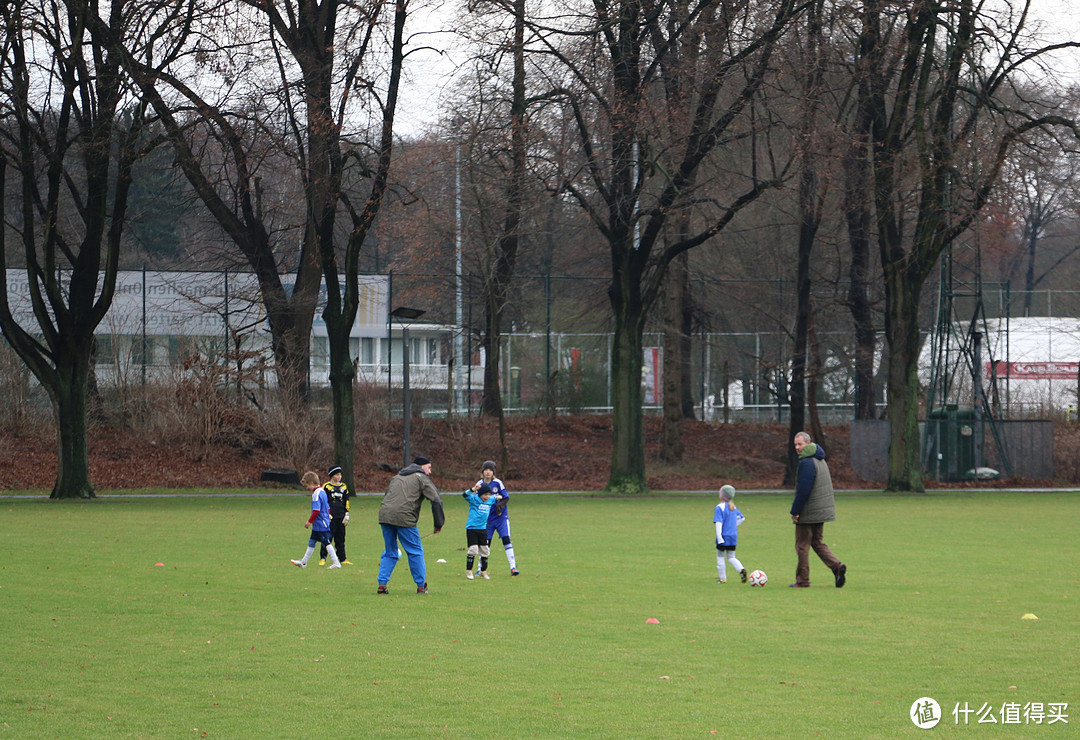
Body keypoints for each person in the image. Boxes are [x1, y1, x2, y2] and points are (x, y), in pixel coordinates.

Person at [377, 456, 445, 594]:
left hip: (385, 516)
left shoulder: (396, 477)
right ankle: (421, 586)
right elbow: (436, 500)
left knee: (390, 551)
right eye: (429, 468)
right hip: (405, 518)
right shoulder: (421, 477)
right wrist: (438, 524)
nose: (430, 472)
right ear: (421, 467)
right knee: (415, 551)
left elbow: (388, 496)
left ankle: (382, 585)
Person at [790, 431, 846, 588]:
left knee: (802, 545)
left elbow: (804, 490)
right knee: (816, 542)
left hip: (809, 511)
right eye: (795, 444)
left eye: (800, 444)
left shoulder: (807, 463)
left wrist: (795, 511)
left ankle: (802, 581)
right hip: (821, 510)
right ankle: (836, 566)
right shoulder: (820, 459)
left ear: (808, 443)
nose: (797, 447)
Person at [291, 471, 341, 570]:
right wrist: (328, 515)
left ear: (312, 483)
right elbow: (327, 508)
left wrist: (309, 522)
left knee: (326, 542)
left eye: (307, 486)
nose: (307, 488)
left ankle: (336, 562)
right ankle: (304, 562)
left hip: (320, 523)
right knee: (312, 541)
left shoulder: (316, 494)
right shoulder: (322, 491)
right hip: (320, 523)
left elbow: (316, 510)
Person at [479, 460, 519, 576]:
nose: (488, 472)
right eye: (486, 470)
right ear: (482, 472)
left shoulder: (498, 483)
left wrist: (499, 507)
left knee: (506, 539)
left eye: (490, 470)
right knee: (486, 543)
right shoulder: (479, 484)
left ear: (493, 472)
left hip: (501, 518)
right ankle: (480, 568)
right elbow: (476, 500)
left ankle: (513, 567)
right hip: (487, 519)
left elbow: (506, 497)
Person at [462, 482, 504, 579]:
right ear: (480, 494)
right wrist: (473, 489)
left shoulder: (490, 500)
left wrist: (499, 497)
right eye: (485, 495)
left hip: (483, 529)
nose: (487, 497)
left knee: (485, 550)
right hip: (472, 528)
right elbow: (464, 495)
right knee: (473, 550)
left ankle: (483, 571)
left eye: (488, 494)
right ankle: (469, 571)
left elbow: (496, 498)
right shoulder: (474, 499)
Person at [319, 466, 352, 566]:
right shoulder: (326, 487)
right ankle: (323, 557)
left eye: (340, 475)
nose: (339, 476)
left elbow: (346, 501)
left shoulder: (344, 487)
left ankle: (342, 558)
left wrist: (347, 513)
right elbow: (323, 501)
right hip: (330, 516)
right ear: (332, 475)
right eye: (337, 475)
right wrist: (325, 513)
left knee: (341, 538)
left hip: (341, 516)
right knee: (328, 536)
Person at [714, 484, 747, 584]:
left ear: (722, 495)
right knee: (731, 557)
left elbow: (718, 524)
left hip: (723, 536)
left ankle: (723, 578)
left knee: (720, 557)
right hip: (733, 536)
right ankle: (741, 570)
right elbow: (742, 518)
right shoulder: (733, 507)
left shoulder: (719, 507)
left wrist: (719, 537)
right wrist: (732, 526)